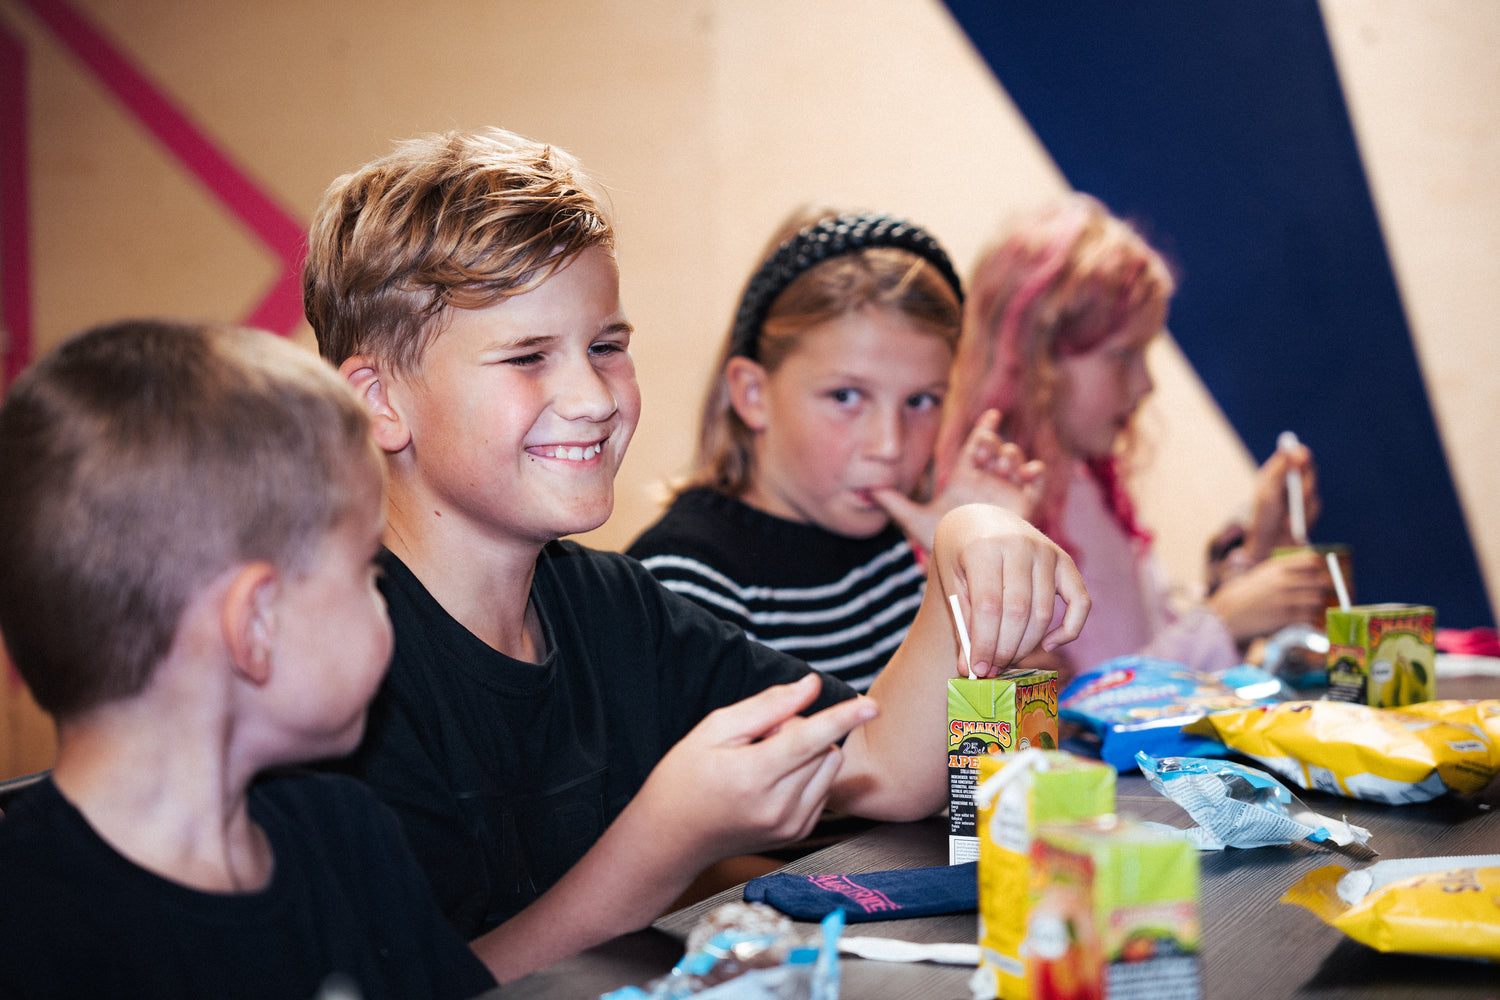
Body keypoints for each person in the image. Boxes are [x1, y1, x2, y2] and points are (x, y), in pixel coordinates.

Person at [302, 127, 1089, 983]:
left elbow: (882, 769)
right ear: (380, 401)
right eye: (529, 356)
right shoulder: (336, 674)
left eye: (607, 346)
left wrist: (963, 546)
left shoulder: (617, 611)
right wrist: (672, 837)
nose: (595, 397)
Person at [0, 320, 496, 1000]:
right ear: (255, 624)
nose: (387, 606)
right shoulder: (28, 932)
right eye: (368, 574)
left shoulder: (349, 837)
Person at [627, 207, 1044, 691]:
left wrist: (987, 584)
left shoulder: (893, 549)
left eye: (921, 400)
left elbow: (994, 757)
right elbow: (867, 767)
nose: (889, 445)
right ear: (753, 393)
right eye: (846, 396)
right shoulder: (684, 584)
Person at [933, 193, 1330, 683]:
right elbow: (1062, 715)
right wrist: (1222, 621)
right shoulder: (987, 519)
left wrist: (1257, 555)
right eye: (1122, 356)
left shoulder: (1087, 485)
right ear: (1038, 363)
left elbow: (1143, 650)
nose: (1146, 385)